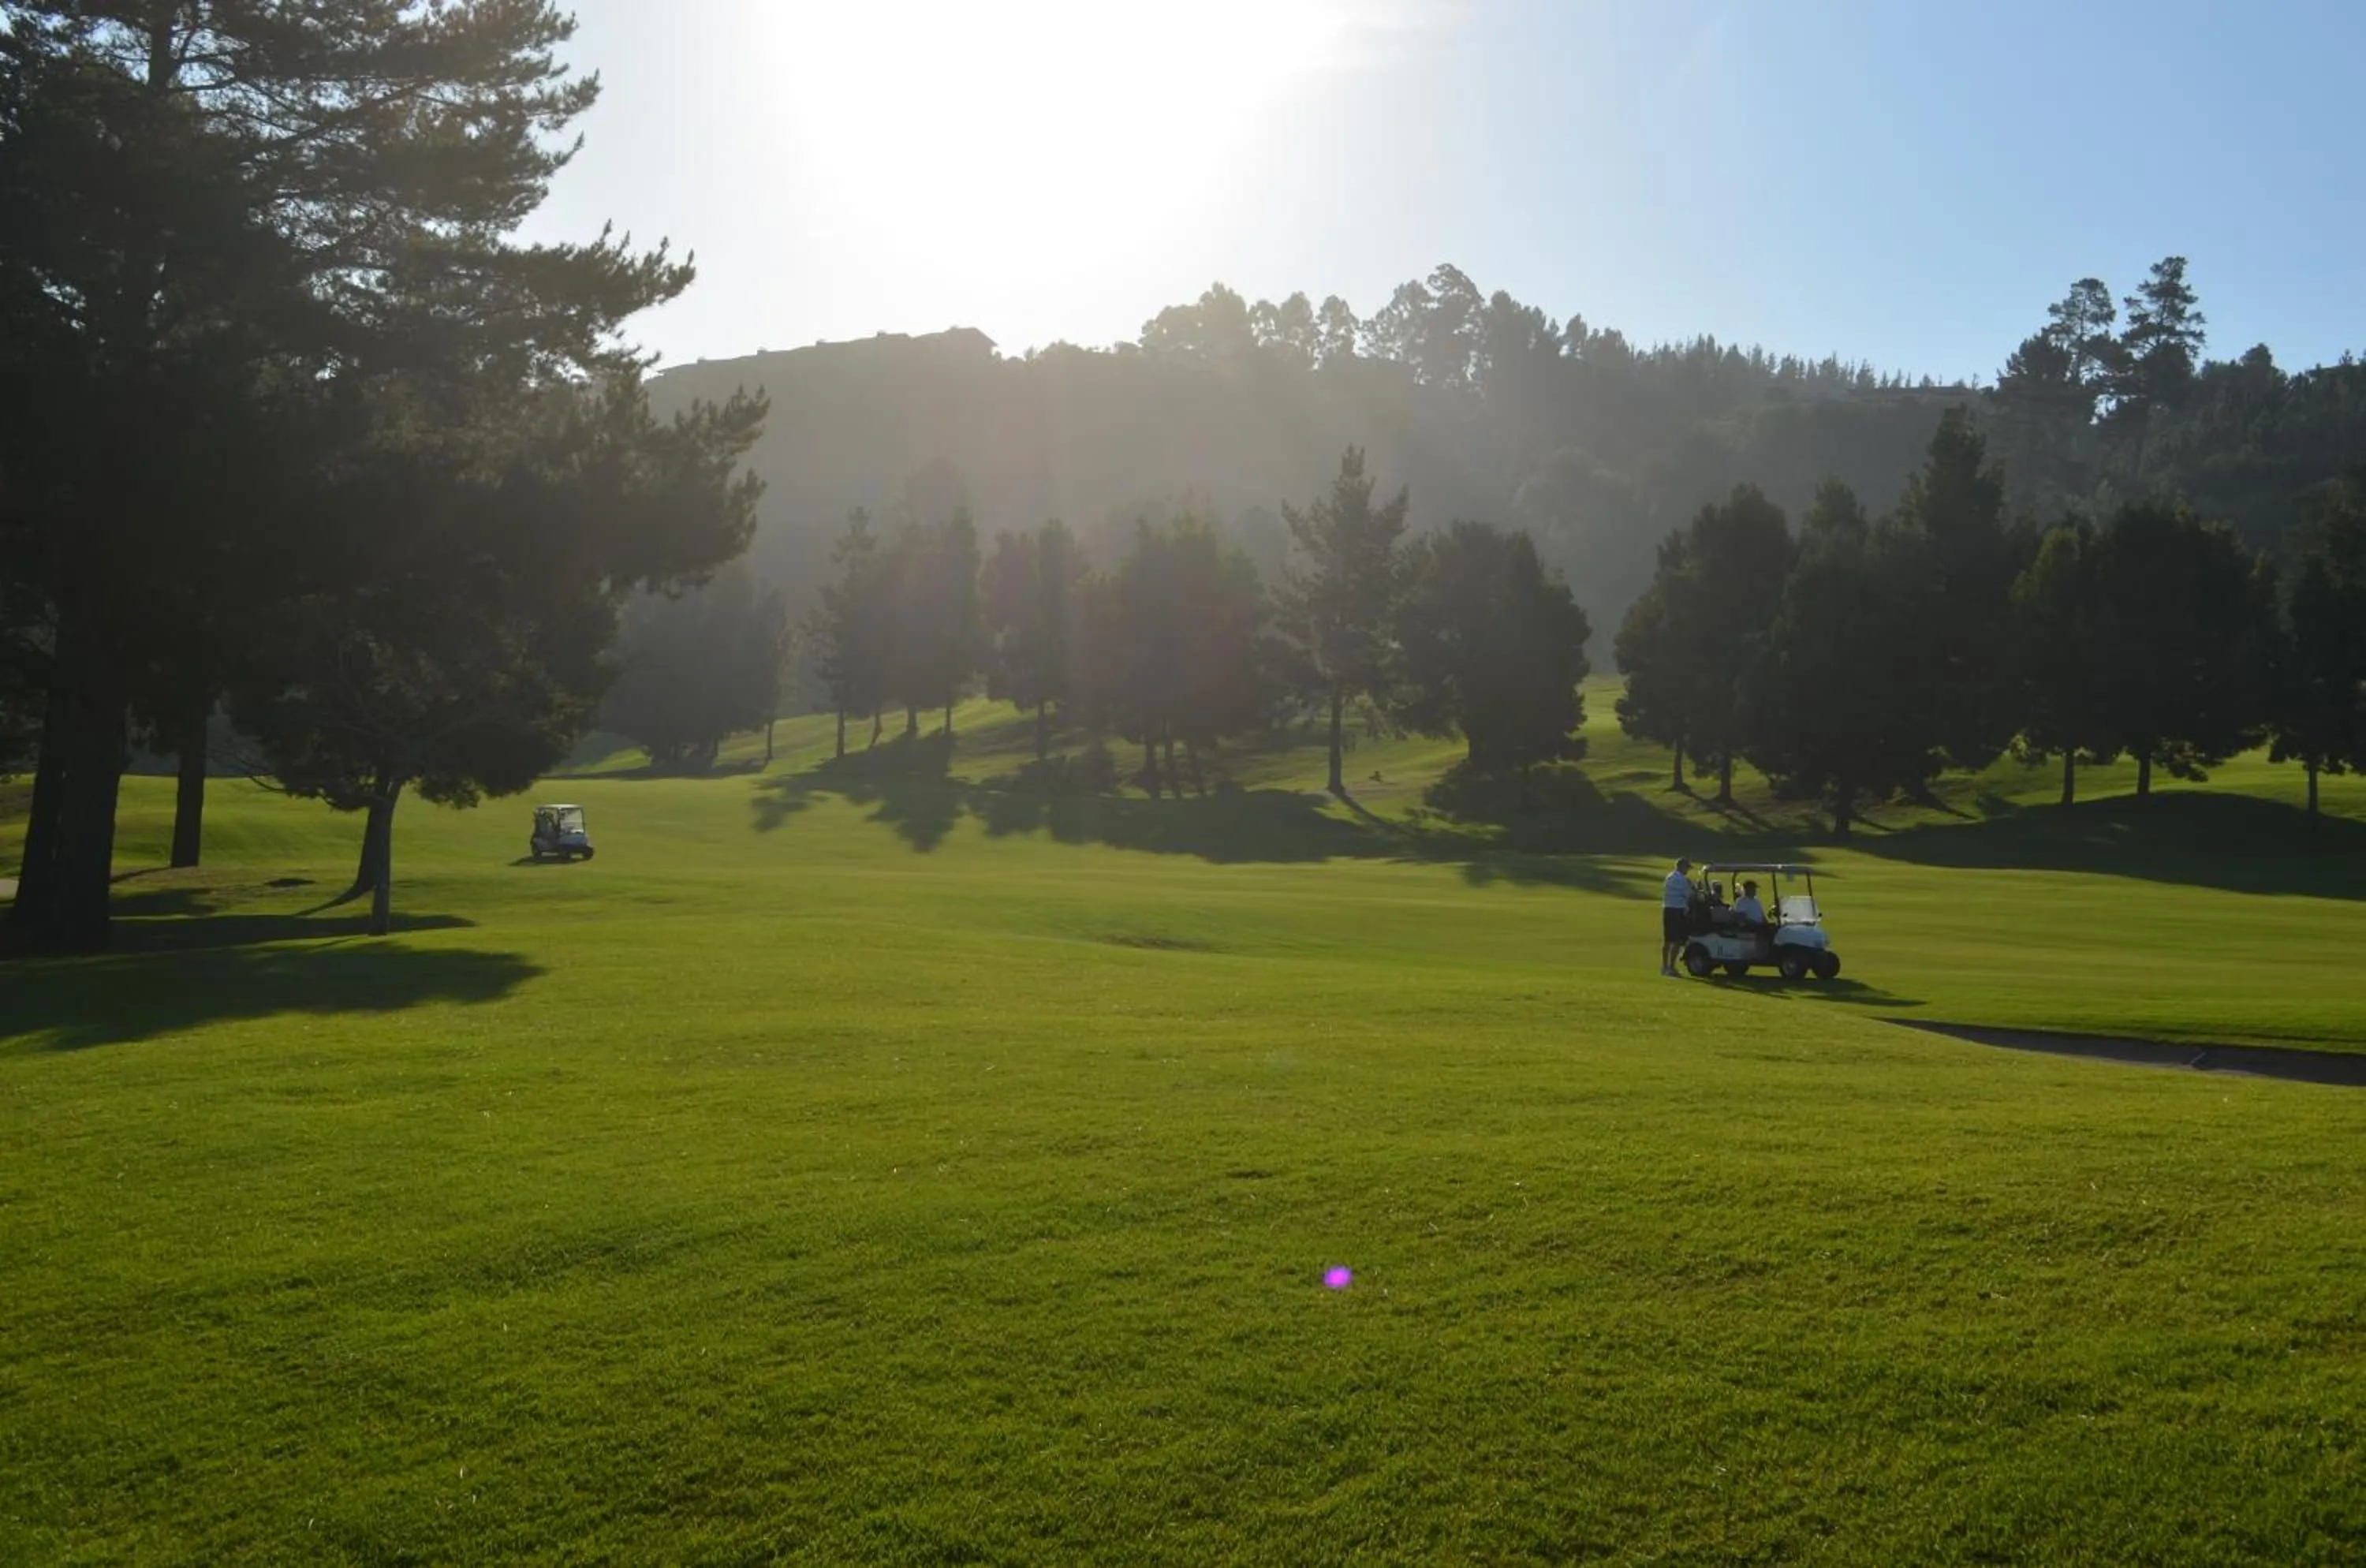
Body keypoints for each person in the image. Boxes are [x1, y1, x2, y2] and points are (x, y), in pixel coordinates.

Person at [1660, 857, 1694, 976]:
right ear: (1681, 867)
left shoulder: (1669, 877)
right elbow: (1689, 895)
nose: (1687, 871)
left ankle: (1664, 967)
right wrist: (1692, 886)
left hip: (1668, 909)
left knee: (1668, 940)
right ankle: (1671, 967)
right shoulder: (1683, 880)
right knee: (1678, 940)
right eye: (1686, 868)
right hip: (1677, 910)